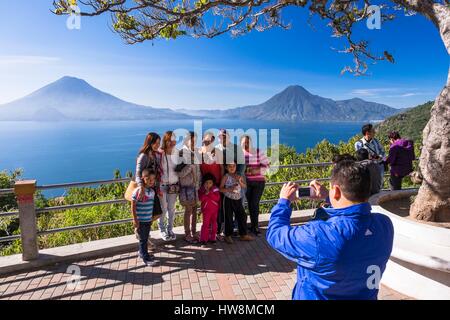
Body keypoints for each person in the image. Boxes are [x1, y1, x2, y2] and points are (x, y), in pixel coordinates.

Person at [266, 161, 394, 300]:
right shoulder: (384, 225)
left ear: (337, 191)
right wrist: (329, 197)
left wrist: (283, 202)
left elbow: (276, 234)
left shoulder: (319, 235)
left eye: (332, 189)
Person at [241, 135, 270, 236]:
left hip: (258, 182)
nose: (246, 144)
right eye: (244, 143)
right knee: (249, 204)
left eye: (247, 142)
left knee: (254, 203)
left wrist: (255, 171)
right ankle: (252, 226)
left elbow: (267, 167)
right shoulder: (240, 154)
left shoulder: (258, 152)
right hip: (246, 183)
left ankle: (255, 227)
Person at [219, 162, 254, 244]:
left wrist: (240, 182)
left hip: (238, 199)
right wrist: (229, 189)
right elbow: (220, 189)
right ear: (226, 168)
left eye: (234, 166)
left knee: (242, 216)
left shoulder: (239, 176)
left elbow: (244, 186)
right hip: (228, 199)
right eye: (230, 166)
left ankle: (243, 235)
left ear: (236, 167)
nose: (232, 168)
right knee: (228, 217)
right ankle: (227, 235)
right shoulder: (225, 177)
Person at [178, 131, 202, 244]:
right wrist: (189, 166)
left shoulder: (196, 152)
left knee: (194, 210)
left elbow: (198, 170)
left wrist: (200, 183)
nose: (193, 142)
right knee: (188, 211)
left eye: (195, 140)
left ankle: (194, 232)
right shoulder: (182, 153)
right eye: (191, 140)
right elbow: (180, 174)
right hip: (187, 188)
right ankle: (187, 233)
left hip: (195, 187)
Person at [131, 169, 158, 266]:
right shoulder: (138, 191)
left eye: (153, 179)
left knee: (145, 238)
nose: (151, 181)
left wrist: (150, 219)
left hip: (147, 219)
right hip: (140, 220)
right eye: (149, 179)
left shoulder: (152, 192)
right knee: (143, 239)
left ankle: (141, 252)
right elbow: (133, 206)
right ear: (143, 179)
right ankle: (145, 258)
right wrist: (135, 219)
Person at [158, 131, 179, 241]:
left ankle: (170, 229)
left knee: (171, 208)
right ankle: (162, 230)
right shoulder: (160, 153)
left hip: (174, 185)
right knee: (163, 209)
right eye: (169, 140)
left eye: (174, 140)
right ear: (165, 141)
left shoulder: (177, 153)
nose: (172, 142)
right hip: (162, 184)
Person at [135, 132, 162, 200]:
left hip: (152, 189)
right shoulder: (143, 156)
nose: (157, 145)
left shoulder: (154, 155)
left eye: (159, 143)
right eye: (155, 143)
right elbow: (138, 174)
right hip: (144, 190)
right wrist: (141, 187)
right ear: (149, 143)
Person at [198, 173, 221, 246]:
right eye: (206, 183)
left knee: (214, 224)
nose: (208, 184)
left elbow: (217, 198)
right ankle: (203, 239)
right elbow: (201, 199)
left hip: (214, 210)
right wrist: (205, 193)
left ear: (213, 183)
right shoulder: (201, 190)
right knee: (205, 224)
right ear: (204, 183)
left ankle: (213, 238)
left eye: (210, 183)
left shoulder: (215, 189)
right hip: (206, 211)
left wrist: (210, 193)